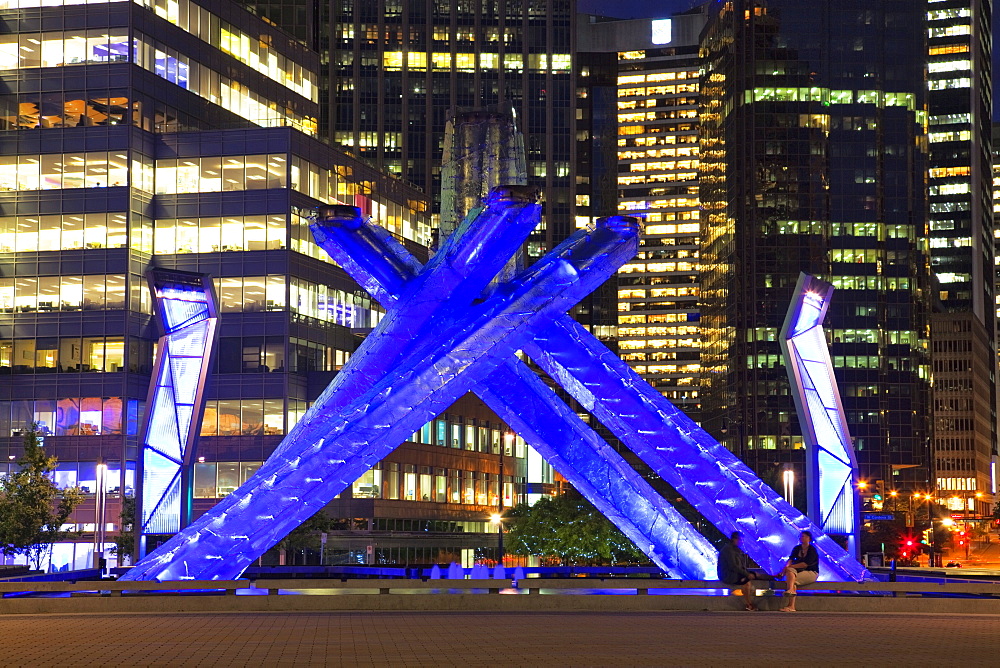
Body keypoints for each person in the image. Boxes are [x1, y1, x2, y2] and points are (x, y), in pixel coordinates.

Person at [717, 531, 760, 611]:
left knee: (751, 578)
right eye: (740, 540)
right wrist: (746, 574)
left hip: (733, 573)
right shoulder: (729, 550)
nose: (742, 542)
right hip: (728, 575)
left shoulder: (734, 549)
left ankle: (749, 603)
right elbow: (733, 566)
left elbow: (739, 566)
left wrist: (746, 573)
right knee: (746, 582)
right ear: (734, 539)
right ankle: (749, 604)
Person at [778, 530, 819, 612]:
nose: (801, 538)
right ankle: (791, 600)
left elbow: (805, 564)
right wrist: (786, 567)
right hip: (798, 571)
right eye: (800, 536)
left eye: (803, 536)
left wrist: (790, 567)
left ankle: (791, 604)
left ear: (809, 538)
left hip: (811, 572)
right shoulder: (797, 548)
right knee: (790, 572)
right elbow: (790, 559)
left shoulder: (812, 550)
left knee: (791, 580)